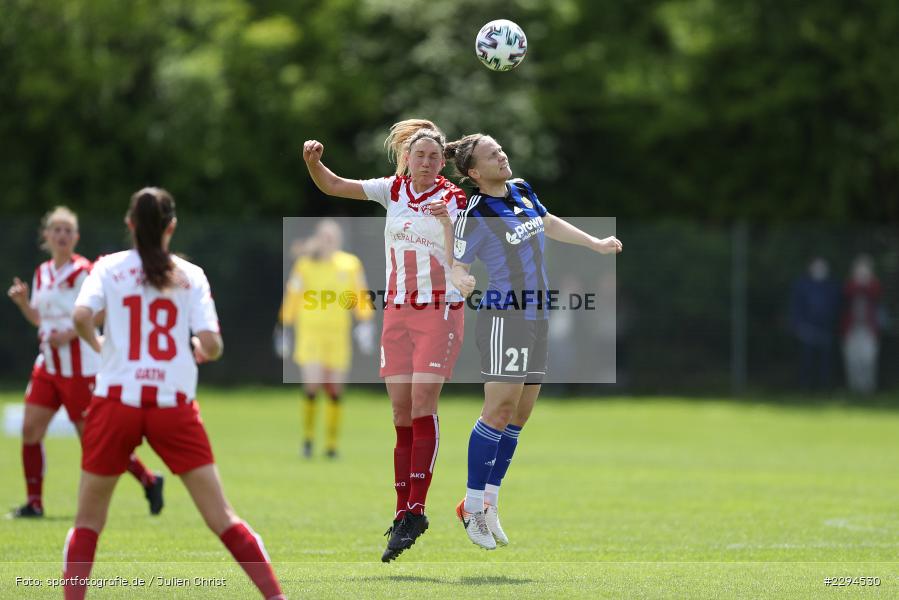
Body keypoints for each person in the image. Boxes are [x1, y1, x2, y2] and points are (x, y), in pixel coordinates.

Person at [61, 188, 284, 600]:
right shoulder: (190, 274)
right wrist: (200, 351)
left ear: (130, 224)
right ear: (172, 226)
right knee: (222, 518)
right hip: (172, 407)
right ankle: (276, 597)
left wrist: (101, 346)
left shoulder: (108, 268)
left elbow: (79, 316)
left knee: (88, 522)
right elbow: (212, 344)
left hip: (115, 403)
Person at [302, 119, 468, 562]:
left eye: (435, 157)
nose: (429, 163)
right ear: (406, 159)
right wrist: (314, 163)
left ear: (441, 162)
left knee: (422, 404)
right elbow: (334, 185)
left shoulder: (452, 197)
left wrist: (450, 225)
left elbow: (464, 239)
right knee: (399, 411)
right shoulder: (392, 190)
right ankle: (402, 512)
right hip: (397, 310)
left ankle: (417, 507)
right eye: (421, 155)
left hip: (439, 309)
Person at [446, 133, 622, 549]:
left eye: (501, 149)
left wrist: (594, 243)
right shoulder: (475, 212)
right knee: (499, 410)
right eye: (492, 155)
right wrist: (461, 279)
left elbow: (547, 221)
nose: (502, 155)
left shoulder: (522, 189)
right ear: (474, 172)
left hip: (537, 315)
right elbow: (457, 262)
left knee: (520, 415)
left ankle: (489, 501)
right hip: (504, 316)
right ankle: (470, 505)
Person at [6, 206, 162, 519]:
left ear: (75, 237)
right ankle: (34, 503)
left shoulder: (84, 271)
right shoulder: (42, 273)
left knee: (94, 441)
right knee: (30, 429)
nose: (62, 235)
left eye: (68, 230)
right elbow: (40, 318)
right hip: (49, 367)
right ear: (46, 236)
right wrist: (24, 303)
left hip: (82, 370)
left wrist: (72, 332)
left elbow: (103, 310)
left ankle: (148, 479)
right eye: (57, 229)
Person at [278, 219, 375, 458]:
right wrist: (284, 327)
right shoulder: (304, 265)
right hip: (310, 332)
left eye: (332, 237)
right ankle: (308, 440)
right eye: (324, 236)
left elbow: (359, 296)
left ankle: (331, 445)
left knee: (335, 387)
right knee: (312, 383)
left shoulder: (350, 265)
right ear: (317, 239)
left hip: (337, 334)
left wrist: (365, 323)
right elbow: (293, 296)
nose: (328, 241)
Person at [788, 257, 840, 391]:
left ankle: (825, 389)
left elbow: (837, 308)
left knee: (826, 362)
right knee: (807, 361)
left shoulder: (832, 286)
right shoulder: (802, 284)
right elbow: (796, 307)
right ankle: (805, 388)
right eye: (816, 266)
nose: (819, 269)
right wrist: (798, 326)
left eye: (822, 266)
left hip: (826, 329)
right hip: (807, 330)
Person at [841, 254, 883, 394]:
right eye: (859, 269)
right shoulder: (849, 285)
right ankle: (854, 389)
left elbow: (875, 295)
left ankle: (868, 389)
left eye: (865, 269)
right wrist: (858, 283)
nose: (862, 272)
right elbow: (846, 296)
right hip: (851, 329)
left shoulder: (874, 285)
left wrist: (865, 283)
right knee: (853, 360)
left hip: (869, 330)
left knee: (868, 360)